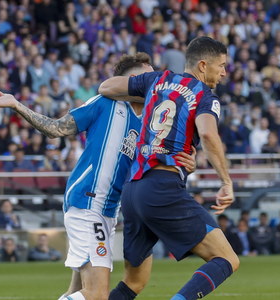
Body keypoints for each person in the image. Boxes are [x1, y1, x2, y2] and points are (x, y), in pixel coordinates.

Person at [0, 53, 197, 300]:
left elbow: (156, 166)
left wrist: (185, 165)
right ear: (131, 79)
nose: (153, 81)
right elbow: (56, 128)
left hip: (107, 212)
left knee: (76, 293)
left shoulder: (149, 123)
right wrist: (15, 104)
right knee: (97, 295)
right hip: (87, 202)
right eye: (147, 76)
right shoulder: (105, 103)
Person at [99, 36, 239, 300]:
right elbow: (208, 135)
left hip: (133, 191)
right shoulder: (205, 96)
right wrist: (226, 182)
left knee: (133, 282)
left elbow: (106, 87)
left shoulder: (156, 80)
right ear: (202, 65)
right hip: (162, 188)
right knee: (226, 258)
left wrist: (148, 92)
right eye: (221, 65)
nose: (223, 72)